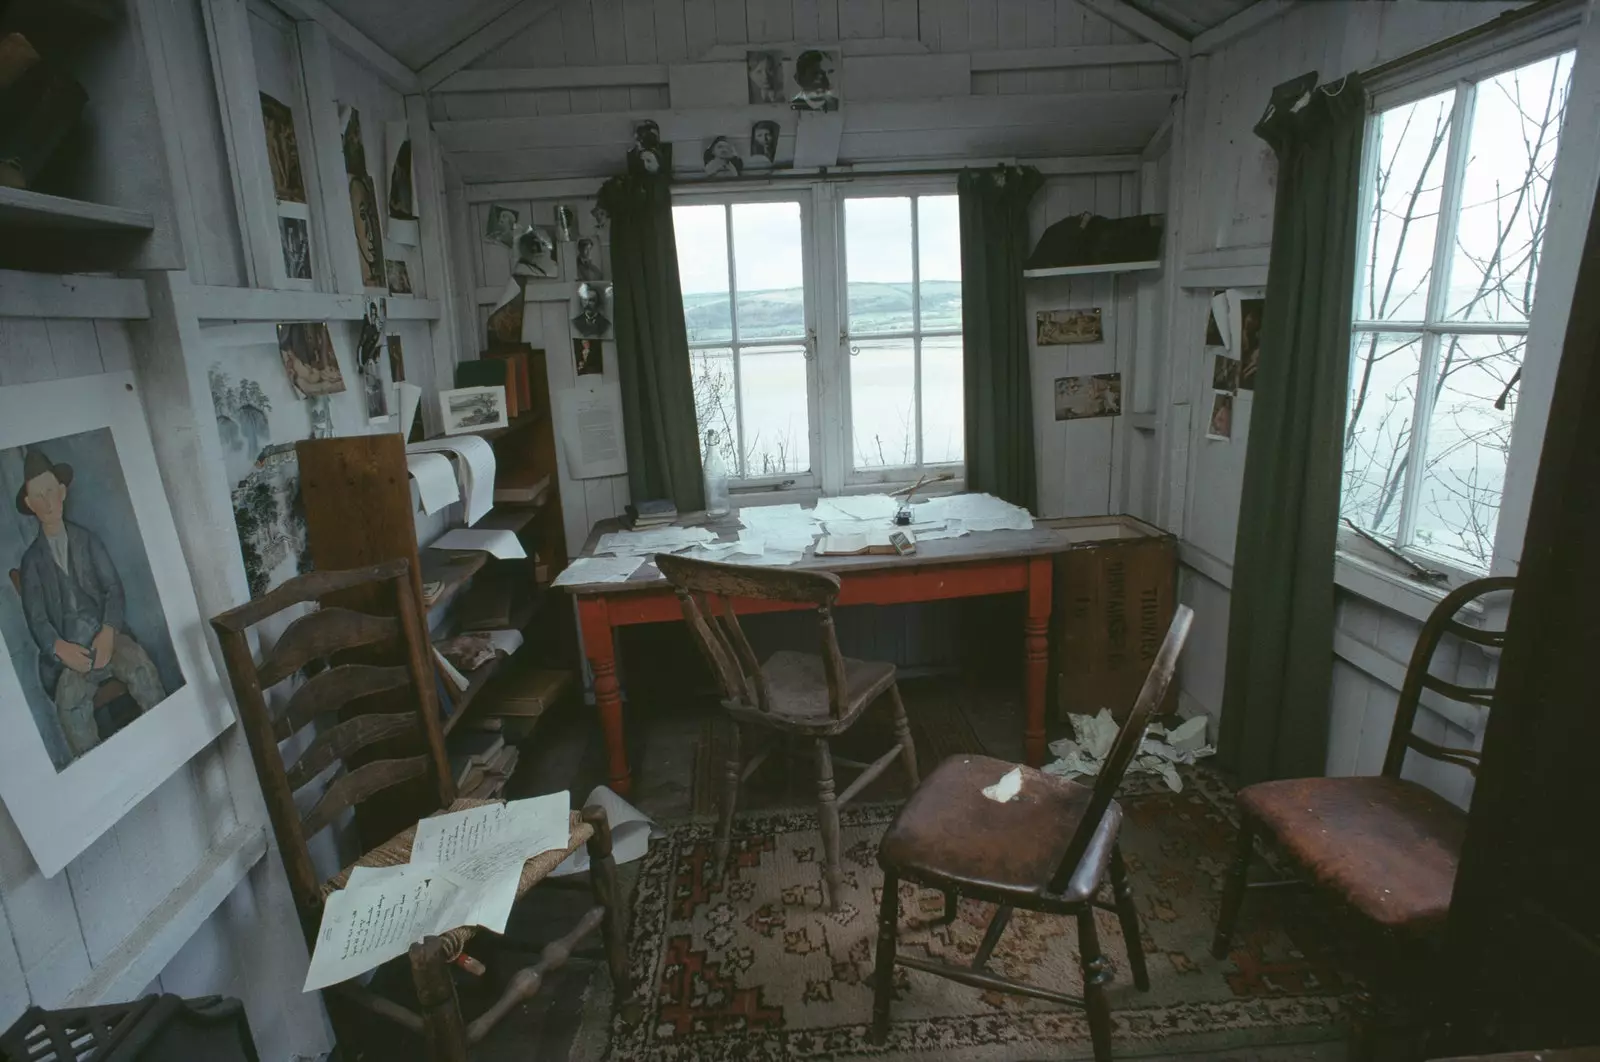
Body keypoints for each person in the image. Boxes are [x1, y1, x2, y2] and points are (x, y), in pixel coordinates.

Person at [15, 448, 166, 756]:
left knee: (141, 669)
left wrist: (109, 631)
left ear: (62, 491)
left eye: (50, 492)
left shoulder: (88, 540)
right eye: (38, 497)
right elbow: (38, 620)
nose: (47, 502)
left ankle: (168, 738)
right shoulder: (31, 563)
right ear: (30, 505)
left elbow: (113, 588)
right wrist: (60, 649)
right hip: (69, 657)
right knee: (70, 708)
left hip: (107, 639)